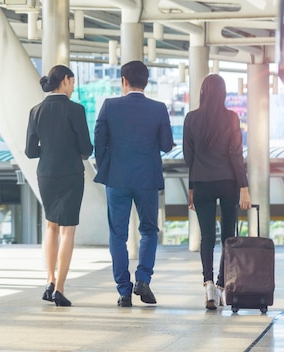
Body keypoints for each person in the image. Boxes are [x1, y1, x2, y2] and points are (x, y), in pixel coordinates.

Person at [93, 60, 174, 307]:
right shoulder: (159, 109)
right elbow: (167, 145)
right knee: (149, 230)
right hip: (147, 179)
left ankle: (124, 291)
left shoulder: (109, 106)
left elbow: (99, 142)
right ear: (146, 82)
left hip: (116, 179)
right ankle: (143, 278)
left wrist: (109, 165)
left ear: (124, 81)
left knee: (118, 234)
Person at [25, 64, 93, 307]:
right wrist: (70, 149)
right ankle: (61, 288)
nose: (73, 88)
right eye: (72, 83)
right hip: (71, 174)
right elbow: (86, 148)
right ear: (65, 80)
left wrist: (51, 149)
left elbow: (31, 151)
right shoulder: (75, 110)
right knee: (68, 229)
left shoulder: (36, 110)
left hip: (46, 174)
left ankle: (50, 280)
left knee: (51, 226)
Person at [183, 74, 251, 310]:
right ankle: (223, 286)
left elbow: (188, 158)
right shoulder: (232, 118)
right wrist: (244, 187)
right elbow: (236, 155)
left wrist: (191, 189)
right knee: (228, 237)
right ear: (223, 93)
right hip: (228, 182)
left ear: (202, 92)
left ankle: (209, 285)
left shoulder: (191, 119)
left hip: (201, 182)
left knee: (207, 237)